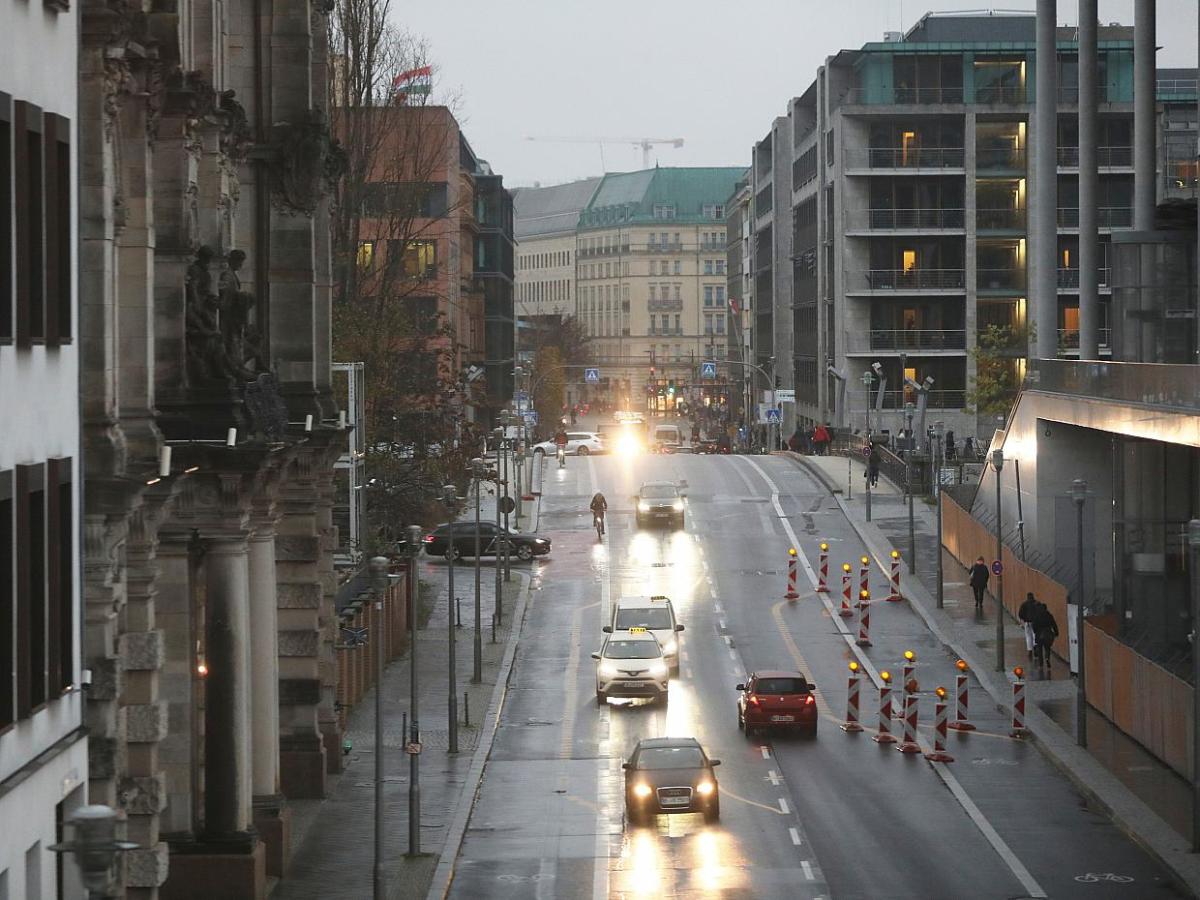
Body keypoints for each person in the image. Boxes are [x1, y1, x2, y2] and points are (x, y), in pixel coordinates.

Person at [1033, 601, 1059, 673]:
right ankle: (1047, 658)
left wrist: (1035, 631)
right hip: (1048, 633)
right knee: (1047, 648)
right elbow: (1054, 624)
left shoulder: (1036, 615)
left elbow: (1034, 626)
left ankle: (1041, 665)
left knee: (1040, 649)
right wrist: (1056, 632)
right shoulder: (1049, 615)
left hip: (1039, 634)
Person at [1018, 592, 1039, 661]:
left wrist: (1024, 619)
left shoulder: (1024, 604)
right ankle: (1035, 646)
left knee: (1028, 636)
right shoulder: (1037, 603)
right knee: (1035, 635)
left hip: (1027, 622)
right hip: (1035, 622)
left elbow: (1020, 613)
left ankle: (1030, 650)